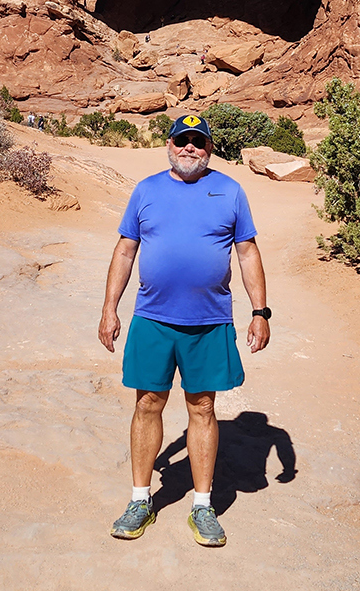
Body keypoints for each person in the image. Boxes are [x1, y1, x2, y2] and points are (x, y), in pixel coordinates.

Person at [98, 113, 271, 547]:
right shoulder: (146, 190)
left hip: (209, 322)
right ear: (169, 145)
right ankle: (141, 499)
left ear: (210, 148)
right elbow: (125, 250)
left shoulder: (230, 191)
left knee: (203, 408)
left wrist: (260, 311)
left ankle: (202, 505)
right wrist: (109, 309)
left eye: (199, 141)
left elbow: (247, 253)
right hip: (153, 319)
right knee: (148, 404)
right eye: (182, 140)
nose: (189, 148)